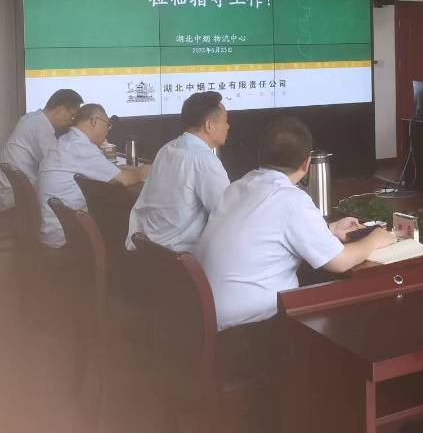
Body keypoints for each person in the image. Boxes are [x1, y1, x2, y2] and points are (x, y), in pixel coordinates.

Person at [195, 116, 395, 331]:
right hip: (247, 328)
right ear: (307, 163)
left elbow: (266, 231)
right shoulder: (290, 199)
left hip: (204, 316)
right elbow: (340, 262)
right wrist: (374, 239)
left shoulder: (239, 187)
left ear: (260, 154)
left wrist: (329, 229)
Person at [125, 91, 231, 252]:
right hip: (175, 257)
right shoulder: (204, 159)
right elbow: (227, 214)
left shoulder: (167, 148)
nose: (228, 126)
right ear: (209, 125)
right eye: (225, 120)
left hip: (144, 248)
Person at [37, 103, 149, 248]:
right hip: (65, 236)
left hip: (53, 228)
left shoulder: (66, 140)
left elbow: (101, 170)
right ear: (94, 121)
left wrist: (123, 170)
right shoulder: (82, 147)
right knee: (122, 222)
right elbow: (124, 180)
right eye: (107, 126)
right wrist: (145, 170)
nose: (107, 132)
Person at [0, 89, 83, 211]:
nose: (71, 122)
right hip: (18, 197)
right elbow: (58, 166)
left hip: (11, 190)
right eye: (72, 116)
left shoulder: (32, 118)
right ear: (61, 109)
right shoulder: (42, 127)